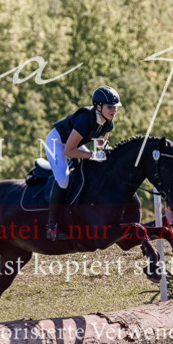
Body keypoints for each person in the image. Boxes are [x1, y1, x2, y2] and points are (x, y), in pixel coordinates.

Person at [44, 86, 121, 240]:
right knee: (64, 179)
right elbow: (68, 150)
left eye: (115, 107)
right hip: (57, 142)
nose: (114, 110)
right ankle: (51, 227)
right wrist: (93, 155)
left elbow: (102, 145)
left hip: (73, 144)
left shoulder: (108, 123)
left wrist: (110, 155)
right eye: (110, 107)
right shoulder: (85, 120)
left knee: (91, 169)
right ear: (98, 106)